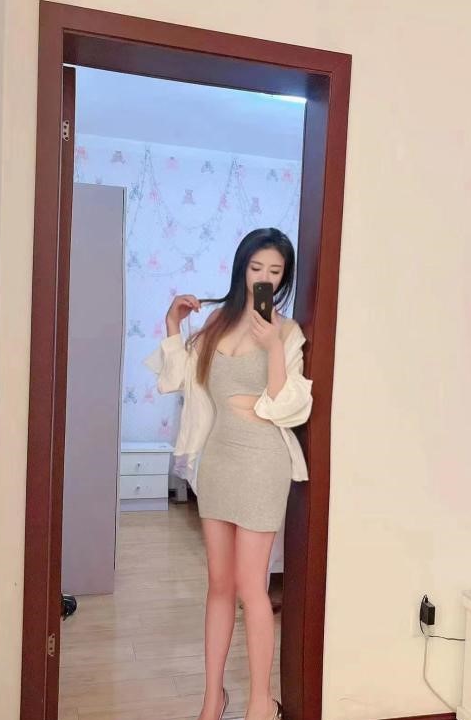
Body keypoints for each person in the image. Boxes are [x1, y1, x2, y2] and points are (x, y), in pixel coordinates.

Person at [145, 228, 313, 720]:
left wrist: (274, 347)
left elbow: (286, 407)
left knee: (250, 587)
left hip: (262, 461)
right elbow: (176, 379)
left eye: (275, 272)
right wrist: (173, 324)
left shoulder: (287, 331)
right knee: (218, 583)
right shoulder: (216, 323)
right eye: (257, 268)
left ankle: (261, 703)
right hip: (218, 458)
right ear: (242, 268)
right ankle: (211, 699)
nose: (264, 278)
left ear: (284, 278)